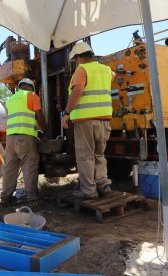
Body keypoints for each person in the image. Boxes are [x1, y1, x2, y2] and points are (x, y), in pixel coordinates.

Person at [62, 42, 113, 200]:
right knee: (99, 154)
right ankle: (103, 185)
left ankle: (88, 191)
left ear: (79, 57)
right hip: (104, 118)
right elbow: (113, 76)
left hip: (85, 120)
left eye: (76, 59)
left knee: (85, 156)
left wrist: (67, 113)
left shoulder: (82, 69)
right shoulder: (106, 70)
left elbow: (77, 91)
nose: (76, 62)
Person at [0, 78, 47, 206]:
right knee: (29, 166)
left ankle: (5, 198)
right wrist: (45, 130)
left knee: (10, 167)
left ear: (20, 87)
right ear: (30, 87)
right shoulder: (31, 96)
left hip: (10, 138)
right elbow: (39, 115)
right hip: (25, 137)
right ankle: (32, 198)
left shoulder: (10, 99)